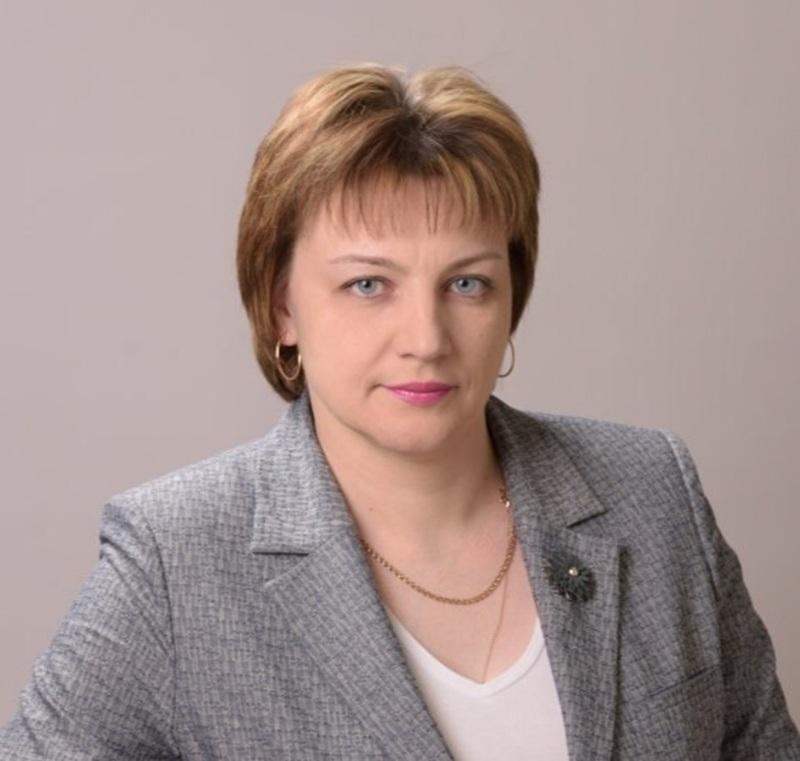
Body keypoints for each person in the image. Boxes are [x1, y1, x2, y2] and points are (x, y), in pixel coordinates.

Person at [1, 62, 798, 761]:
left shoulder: (653, 492)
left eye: (466, 283)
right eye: (368, 284)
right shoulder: (175, 561)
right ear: (283, 307)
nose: (426, 338)